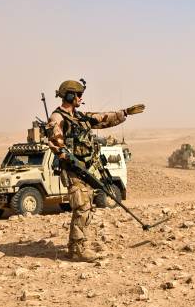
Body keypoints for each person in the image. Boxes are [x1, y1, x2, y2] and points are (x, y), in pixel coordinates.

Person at [45, 79, 145, 260]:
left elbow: (103, 118)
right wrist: (64, 154)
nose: (81, 98)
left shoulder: (80, 117)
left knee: (87, 207)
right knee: (82, 207)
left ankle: (75, 246)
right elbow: (54, 141)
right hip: (74, 170)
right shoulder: (57, 117)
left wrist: (125, 113)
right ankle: (78, 250)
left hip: (85, 169)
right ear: (69, 95)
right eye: (78, 94)